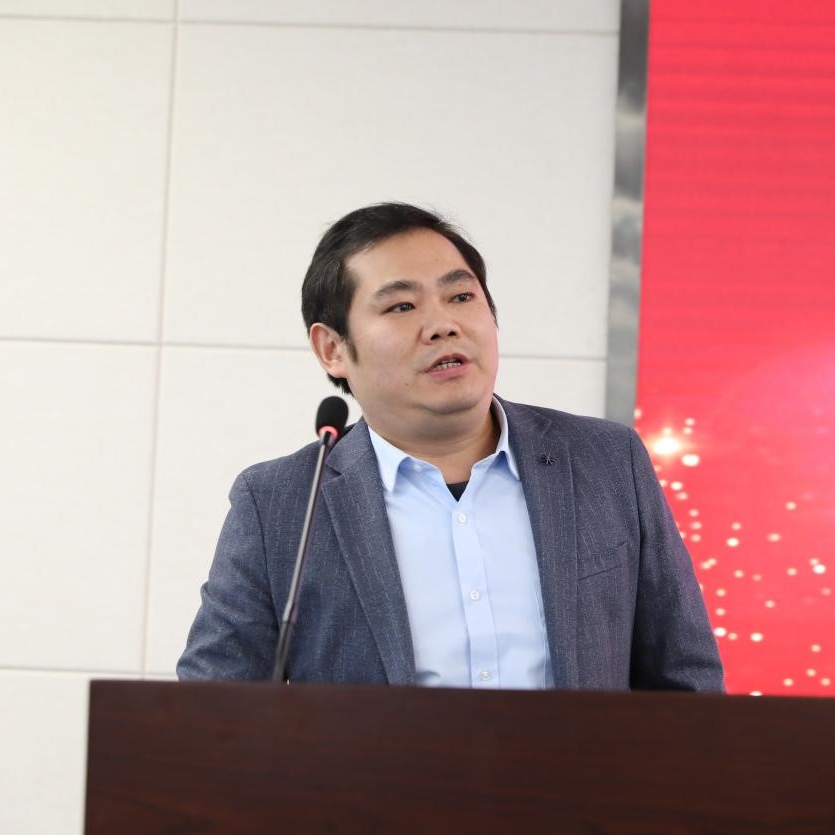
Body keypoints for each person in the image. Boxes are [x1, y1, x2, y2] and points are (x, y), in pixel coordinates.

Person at [178, 202, 723, 691]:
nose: (443, 325)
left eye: (461, 296)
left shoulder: (605, 461)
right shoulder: (281, 503)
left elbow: (685, 681)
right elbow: (215, 707)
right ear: (333, 349)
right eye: (401, 307)